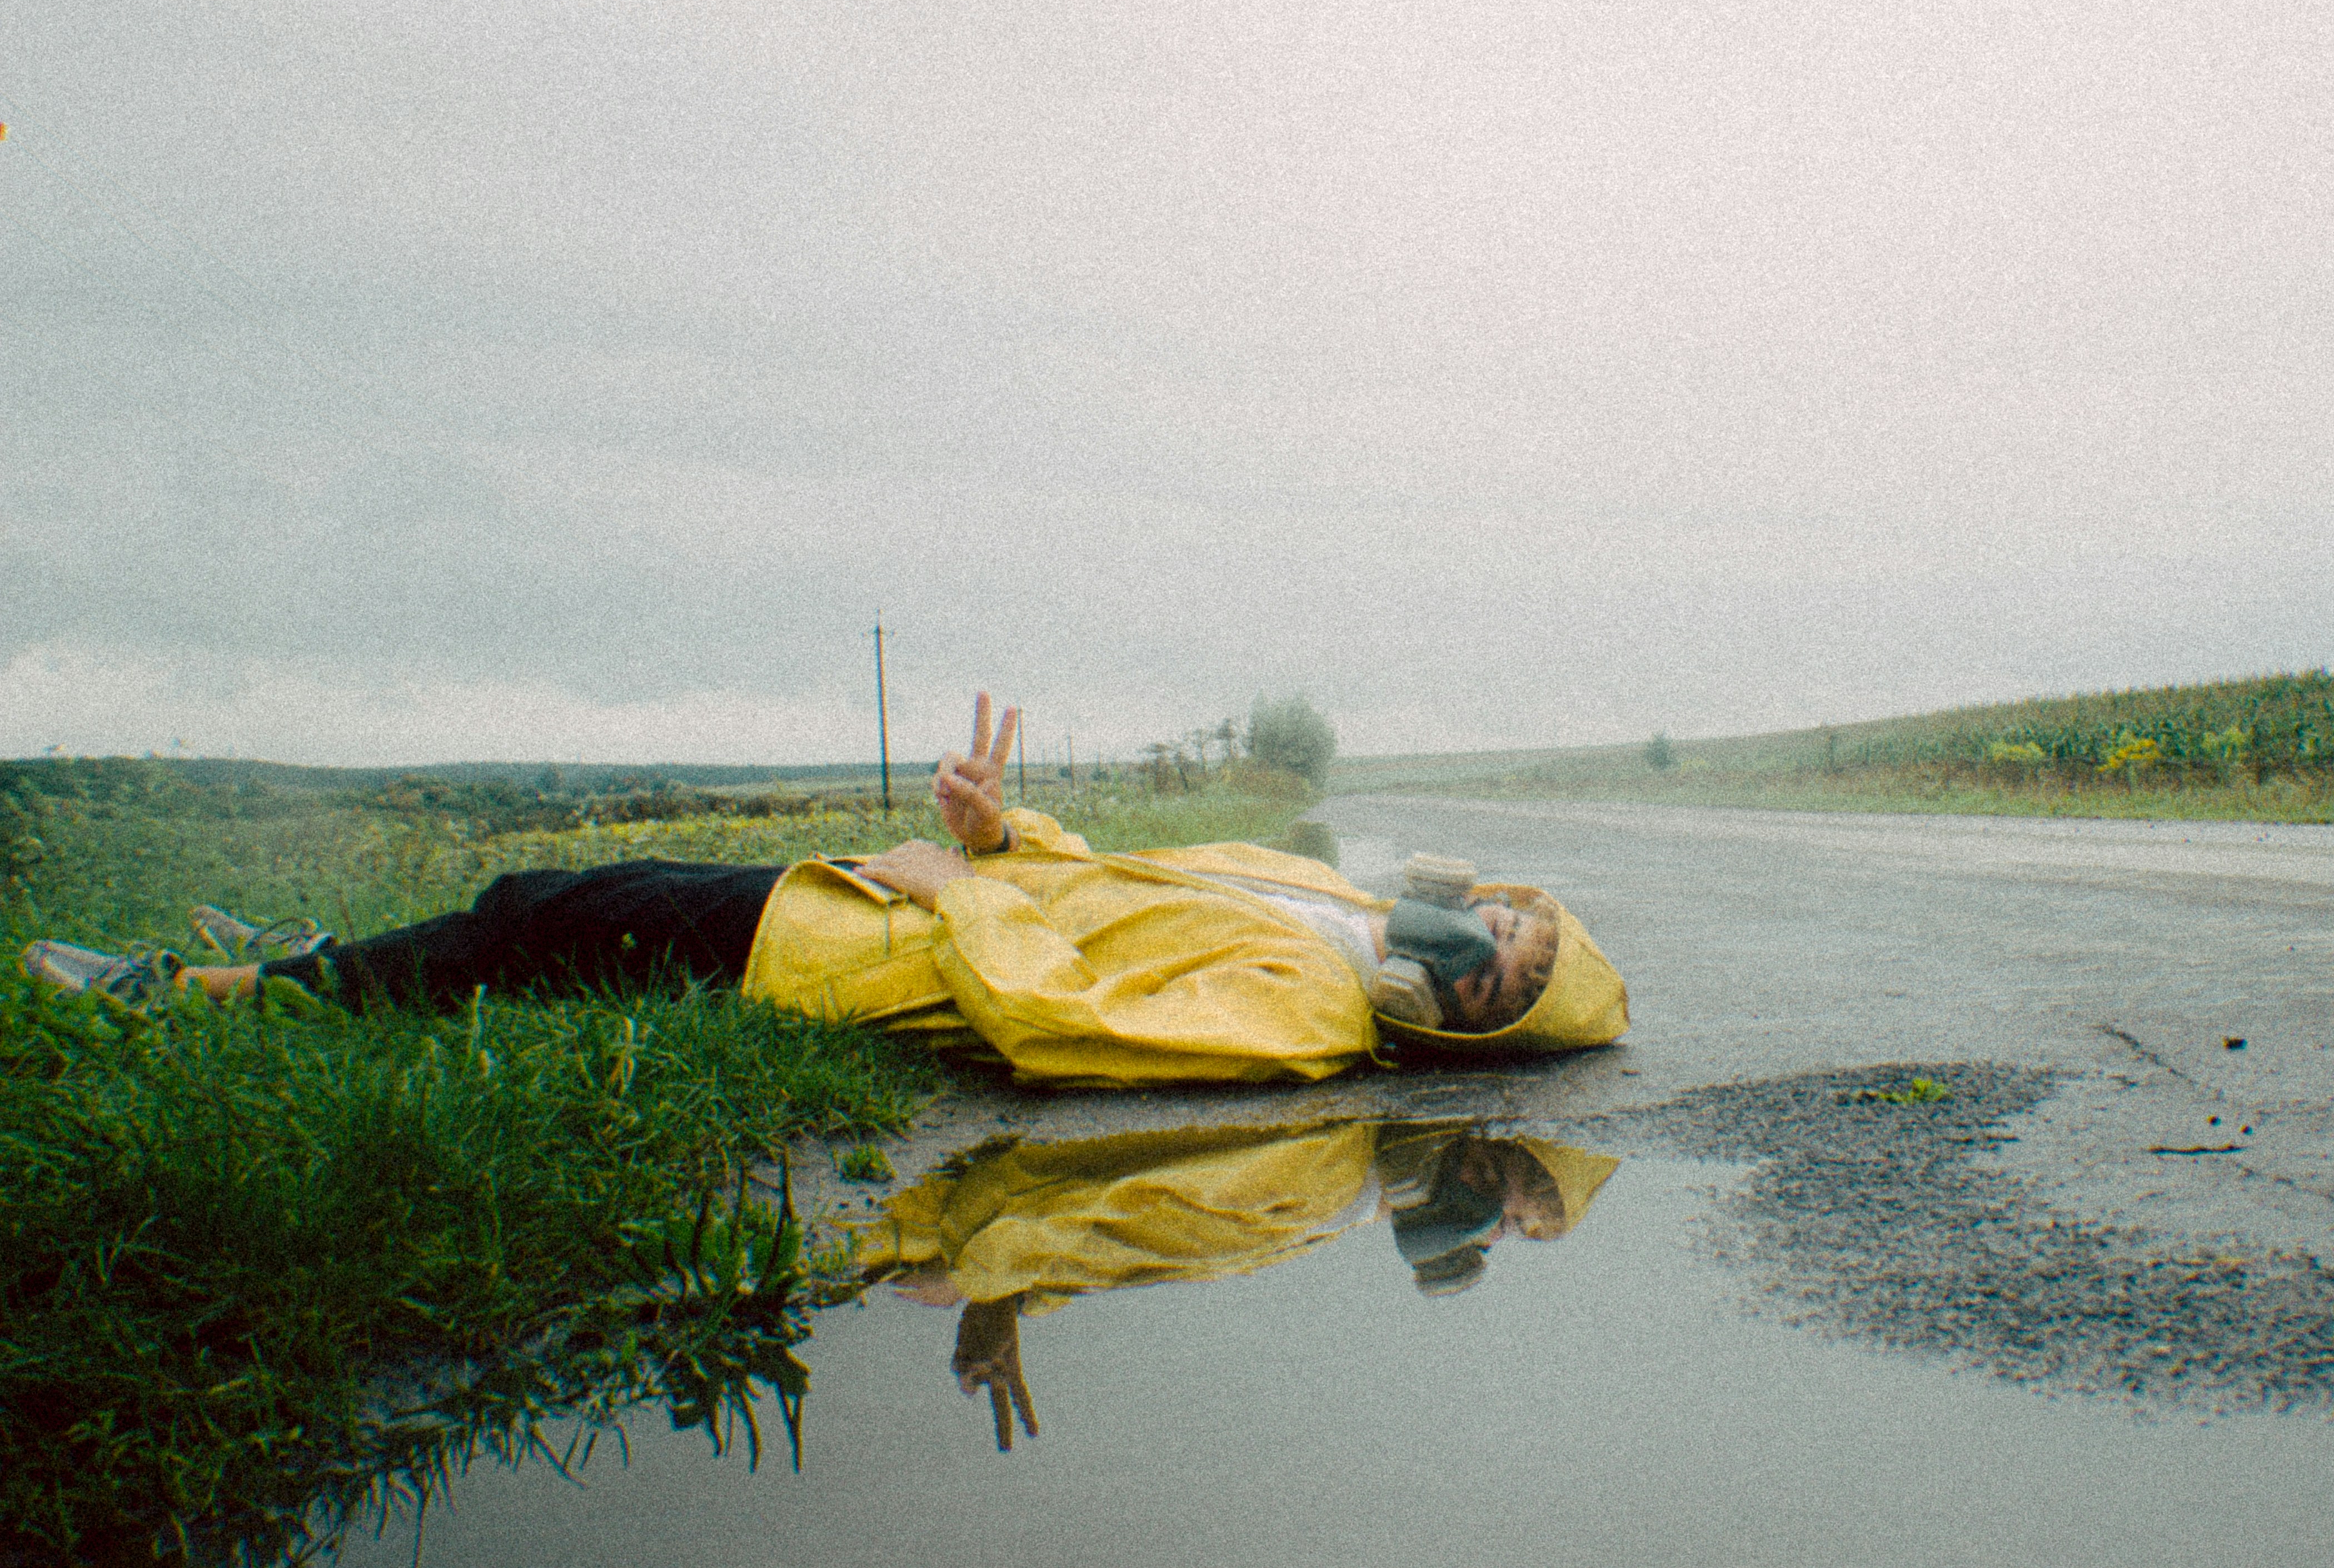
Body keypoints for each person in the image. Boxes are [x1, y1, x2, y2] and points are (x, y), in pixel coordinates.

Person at [20, 695, 1629, 1087]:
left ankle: (217, 998)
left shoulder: (1306, 1014)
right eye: (1507, 919)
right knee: (546, 896)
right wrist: (1001, 834)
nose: (1483, 939)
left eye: (1499, 971)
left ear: (1460, 1024)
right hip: (893, 896)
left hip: (865, 954)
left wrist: (954, 890)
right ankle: (327, 957)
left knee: (549, 919)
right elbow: (1101, 894)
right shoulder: (1303, 889)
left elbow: (1057, 1018)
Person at [858, 1120, 1622, 1449]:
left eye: (1510, 1230)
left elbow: (1139, 1248)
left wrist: (1013, 1295)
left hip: (939, 1229)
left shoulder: (1345, 1206)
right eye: (1492, 1181)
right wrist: (981, 1281)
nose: (1483, 1227)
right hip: (915, 1212)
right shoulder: (1328, 1179)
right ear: (1465, 1136)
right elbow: (1122, 1199)